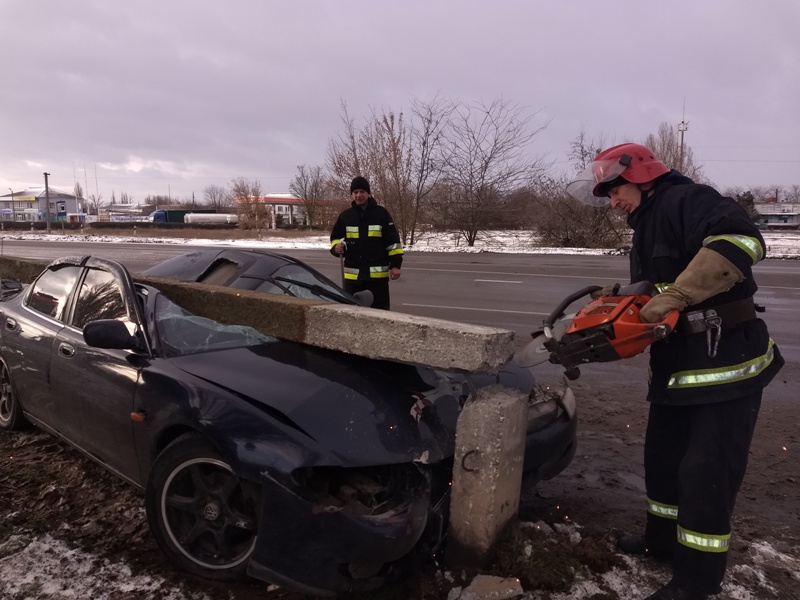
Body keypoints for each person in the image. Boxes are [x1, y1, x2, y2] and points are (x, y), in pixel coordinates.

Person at [567, 143, 784, 600]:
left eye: (616, 190)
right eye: (605, 195)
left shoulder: (689, 199)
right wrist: (621, 297)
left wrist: (677, 298)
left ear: (643, 175)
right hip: (677, 365)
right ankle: (660, 542)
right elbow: (660, 284)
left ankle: (696, 580)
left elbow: (740, 240)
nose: (613, 202)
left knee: (706, 474)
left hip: (724, 364)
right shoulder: (647, 220)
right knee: (663, 465)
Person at [329, 176, 403, 310]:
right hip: (353, 281)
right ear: (352, 194)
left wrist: (395, 265)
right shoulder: (345, 216)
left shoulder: (381, 214)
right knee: (353, 314)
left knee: (381, 315)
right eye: (355, 192)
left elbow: (393, 243)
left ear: (368, 193)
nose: (359, 195)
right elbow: (335, 238)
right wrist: (336, 248)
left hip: (377, 281)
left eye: (362, 191)